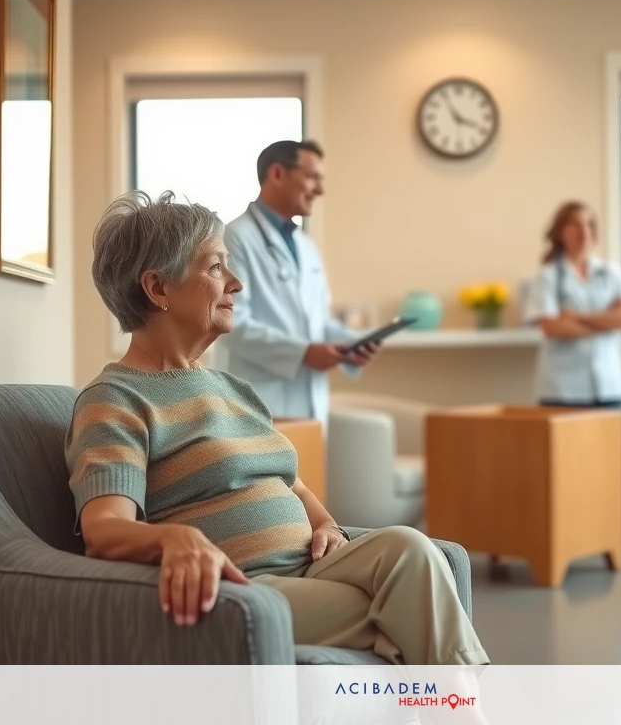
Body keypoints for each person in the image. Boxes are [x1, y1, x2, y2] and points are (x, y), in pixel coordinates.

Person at [68, 191, 488, 667]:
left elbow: (293, 485)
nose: (236, 283)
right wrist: (174, 539)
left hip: (313, 567)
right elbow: (104, 530)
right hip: (246, 585)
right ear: (158, 289)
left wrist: (327, 524)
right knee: (402, 608)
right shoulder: (116, 400)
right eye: (214, 268)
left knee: (411, 547)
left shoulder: (234, 389)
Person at [217, 140, 377, 424]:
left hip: (310, 401)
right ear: (277, 174)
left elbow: (318, 321)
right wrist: (303, 353)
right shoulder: (235, 236)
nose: (320, 189)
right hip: (263, 403)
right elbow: (230, 323)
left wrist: (350, 345)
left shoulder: (305, 245)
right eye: (313, 177)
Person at [525, 201, 621, 408]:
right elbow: (553, 328)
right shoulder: (548, 276)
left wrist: (578, 317)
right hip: (563, 387)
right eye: (576, 225)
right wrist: (607, 323)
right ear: (560, 232)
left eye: (589, 224)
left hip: (608, 385)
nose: (584, 231)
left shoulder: (609, 272)